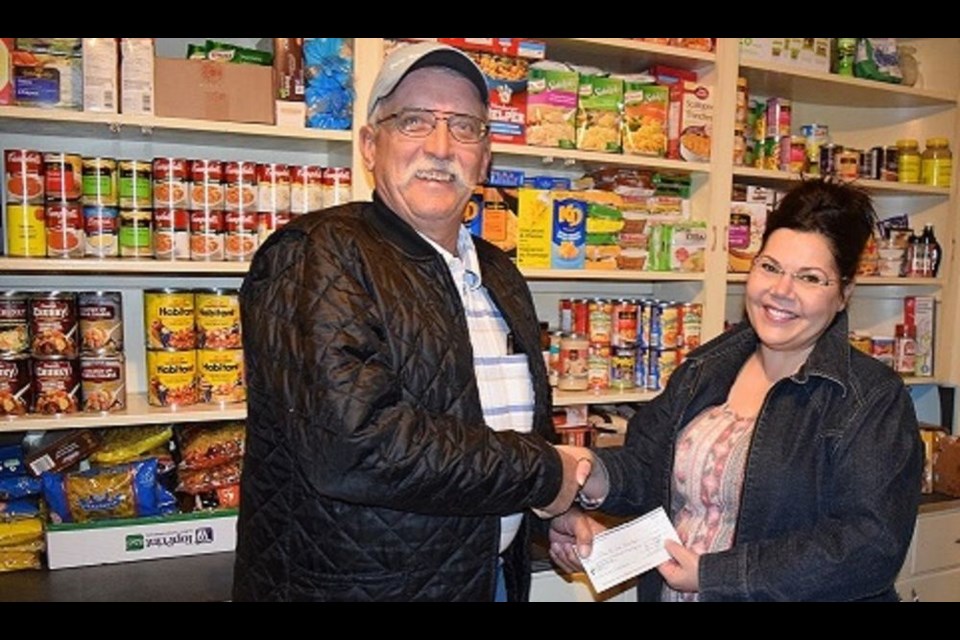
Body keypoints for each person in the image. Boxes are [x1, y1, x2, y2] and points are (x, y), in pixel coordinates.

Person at [232, 41, 586, 602]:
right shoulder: (317, 252)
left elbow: (502, 430)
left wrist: (546, 514)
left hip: (483, 581)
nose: (440, 147)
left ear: (485, 156)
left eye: (465, 127)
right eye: (414, 121)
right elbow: (355, 447)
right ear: (371, 145)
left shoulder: (498, 273)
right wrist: (545, 473)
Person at [549, 178, 924, 602]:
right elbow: (652, 465)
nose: (781, 291)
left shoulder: (870, 398)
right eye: (769, 267)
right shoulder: (708, 366)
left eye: (810, 278)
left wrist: (716, 574)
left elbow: (868, 547)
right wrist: (591, 473)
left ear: (844, 293)